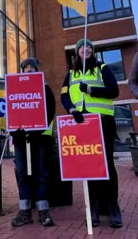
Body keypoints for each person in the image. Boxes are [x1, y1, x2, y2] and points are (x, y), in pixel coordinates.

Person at [61, 39, 122, 228]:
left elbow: (114, 91)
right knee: (88, 165)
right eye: (81, 47)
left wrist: (90, 90)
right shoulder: (70, 74)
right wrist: (72, 110)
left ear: (92, 51)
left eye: (88, 47)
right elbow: (63, 95)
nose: (85, 49)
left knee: (107, 163)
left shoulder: (102, 68)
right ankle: (94, 207)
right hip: (82, 123)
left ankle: (112, 206)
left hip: (103, 121)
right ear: (77, 52)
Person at [10, 58, 55, 227]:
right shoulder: (14, 89)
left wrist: (36, 131)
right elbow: (10, 112)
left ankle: (44, 211)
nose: (28, 69)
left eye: (31, 67)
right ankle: (25, 211)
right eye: (25, 67)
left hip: (40, 138)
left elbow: (50, 111)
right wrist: (17, 132)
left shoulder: (45, 88)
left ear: (37, 70)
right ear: (22, 71)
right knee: (22, 174)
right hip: (21, 140)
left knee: (40, 173)